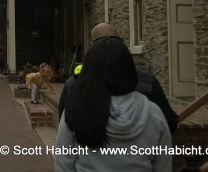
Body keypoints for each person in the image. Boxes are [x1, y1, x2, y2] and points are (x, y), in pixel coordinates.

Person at [55, 36, 172, 171]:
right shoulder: (154, 113)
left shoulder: (76, 109)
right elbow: (163, 166)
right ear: (129, 69)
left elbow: (63, 165)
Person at [58, 23, 178, 133]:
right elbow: (169, 123)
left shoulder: (74, 85)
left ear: (92, 46)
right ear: (121, 44)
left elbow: (65, 128)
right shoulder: (147, 82)